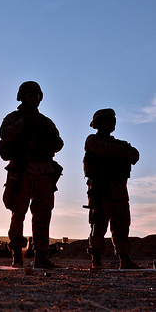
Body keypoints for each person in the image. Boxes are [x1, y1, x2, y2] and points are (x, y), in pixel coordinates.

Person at [0, 81, 63, 268]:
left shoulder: (46, 121)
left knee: (43, 214)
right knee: (18, 212)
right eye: (30, 95)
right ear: (22, 97)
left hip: (44, 171)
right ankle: (17, 256)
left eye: (36, 95)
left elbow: (58, 144)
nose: (34, 98)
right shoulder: (13, 117)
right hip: (21, 170)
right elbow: (5, 135)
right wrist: (24, 122)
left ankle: (41, 255)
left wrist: (44, 130)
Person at [83, 108, 140, 269]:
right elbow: (103, 149)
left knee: (122, 225)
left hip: (119, 190)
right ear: (99, 124)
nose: (112, 123)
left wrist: (117, 152)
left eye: (113, 120)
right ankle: (96, 259)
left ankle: (124, 258)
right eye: (108, 120)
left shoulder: (118, 143)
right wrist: (120, 153)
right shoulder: (92, 140)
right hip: (101, 189)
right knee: (98, 225)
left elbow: (135, 155)